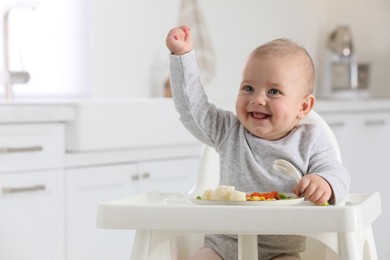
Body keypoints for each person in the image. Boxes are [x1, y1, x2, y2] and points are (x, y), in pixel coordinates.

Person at [165, 26, 351, 260]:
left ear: (303, 107)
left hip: (280, 252)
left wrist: (325, 182)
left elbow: (337, 172)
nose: (257, 99)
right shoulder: (229, 131)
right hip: (222, 248)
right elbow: (194, 110)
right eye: (248, 88)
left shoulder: (310, 141)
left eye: (273, 91)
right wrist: (182, 57)